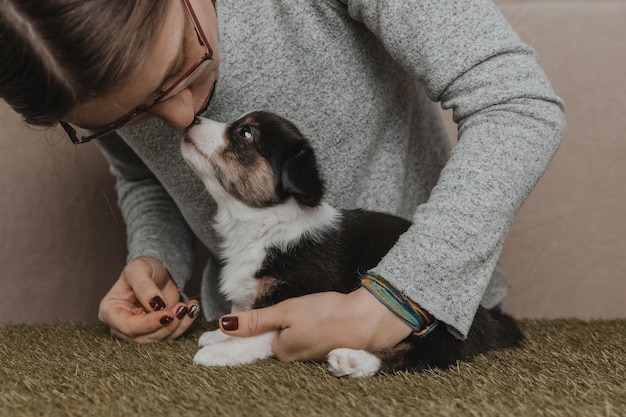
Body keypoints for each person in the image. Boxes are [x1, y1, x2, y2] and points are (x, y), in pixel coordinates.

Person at [0, 0, 565, 359]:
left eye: (179, 64)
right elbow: (145, 177)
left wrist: (395, 301)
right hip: (255, 332)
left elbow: (517, 102)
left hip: (433, 329)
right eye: (130, 115)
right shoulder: (76, 76)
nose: (180, 119)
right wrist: (156, 258)